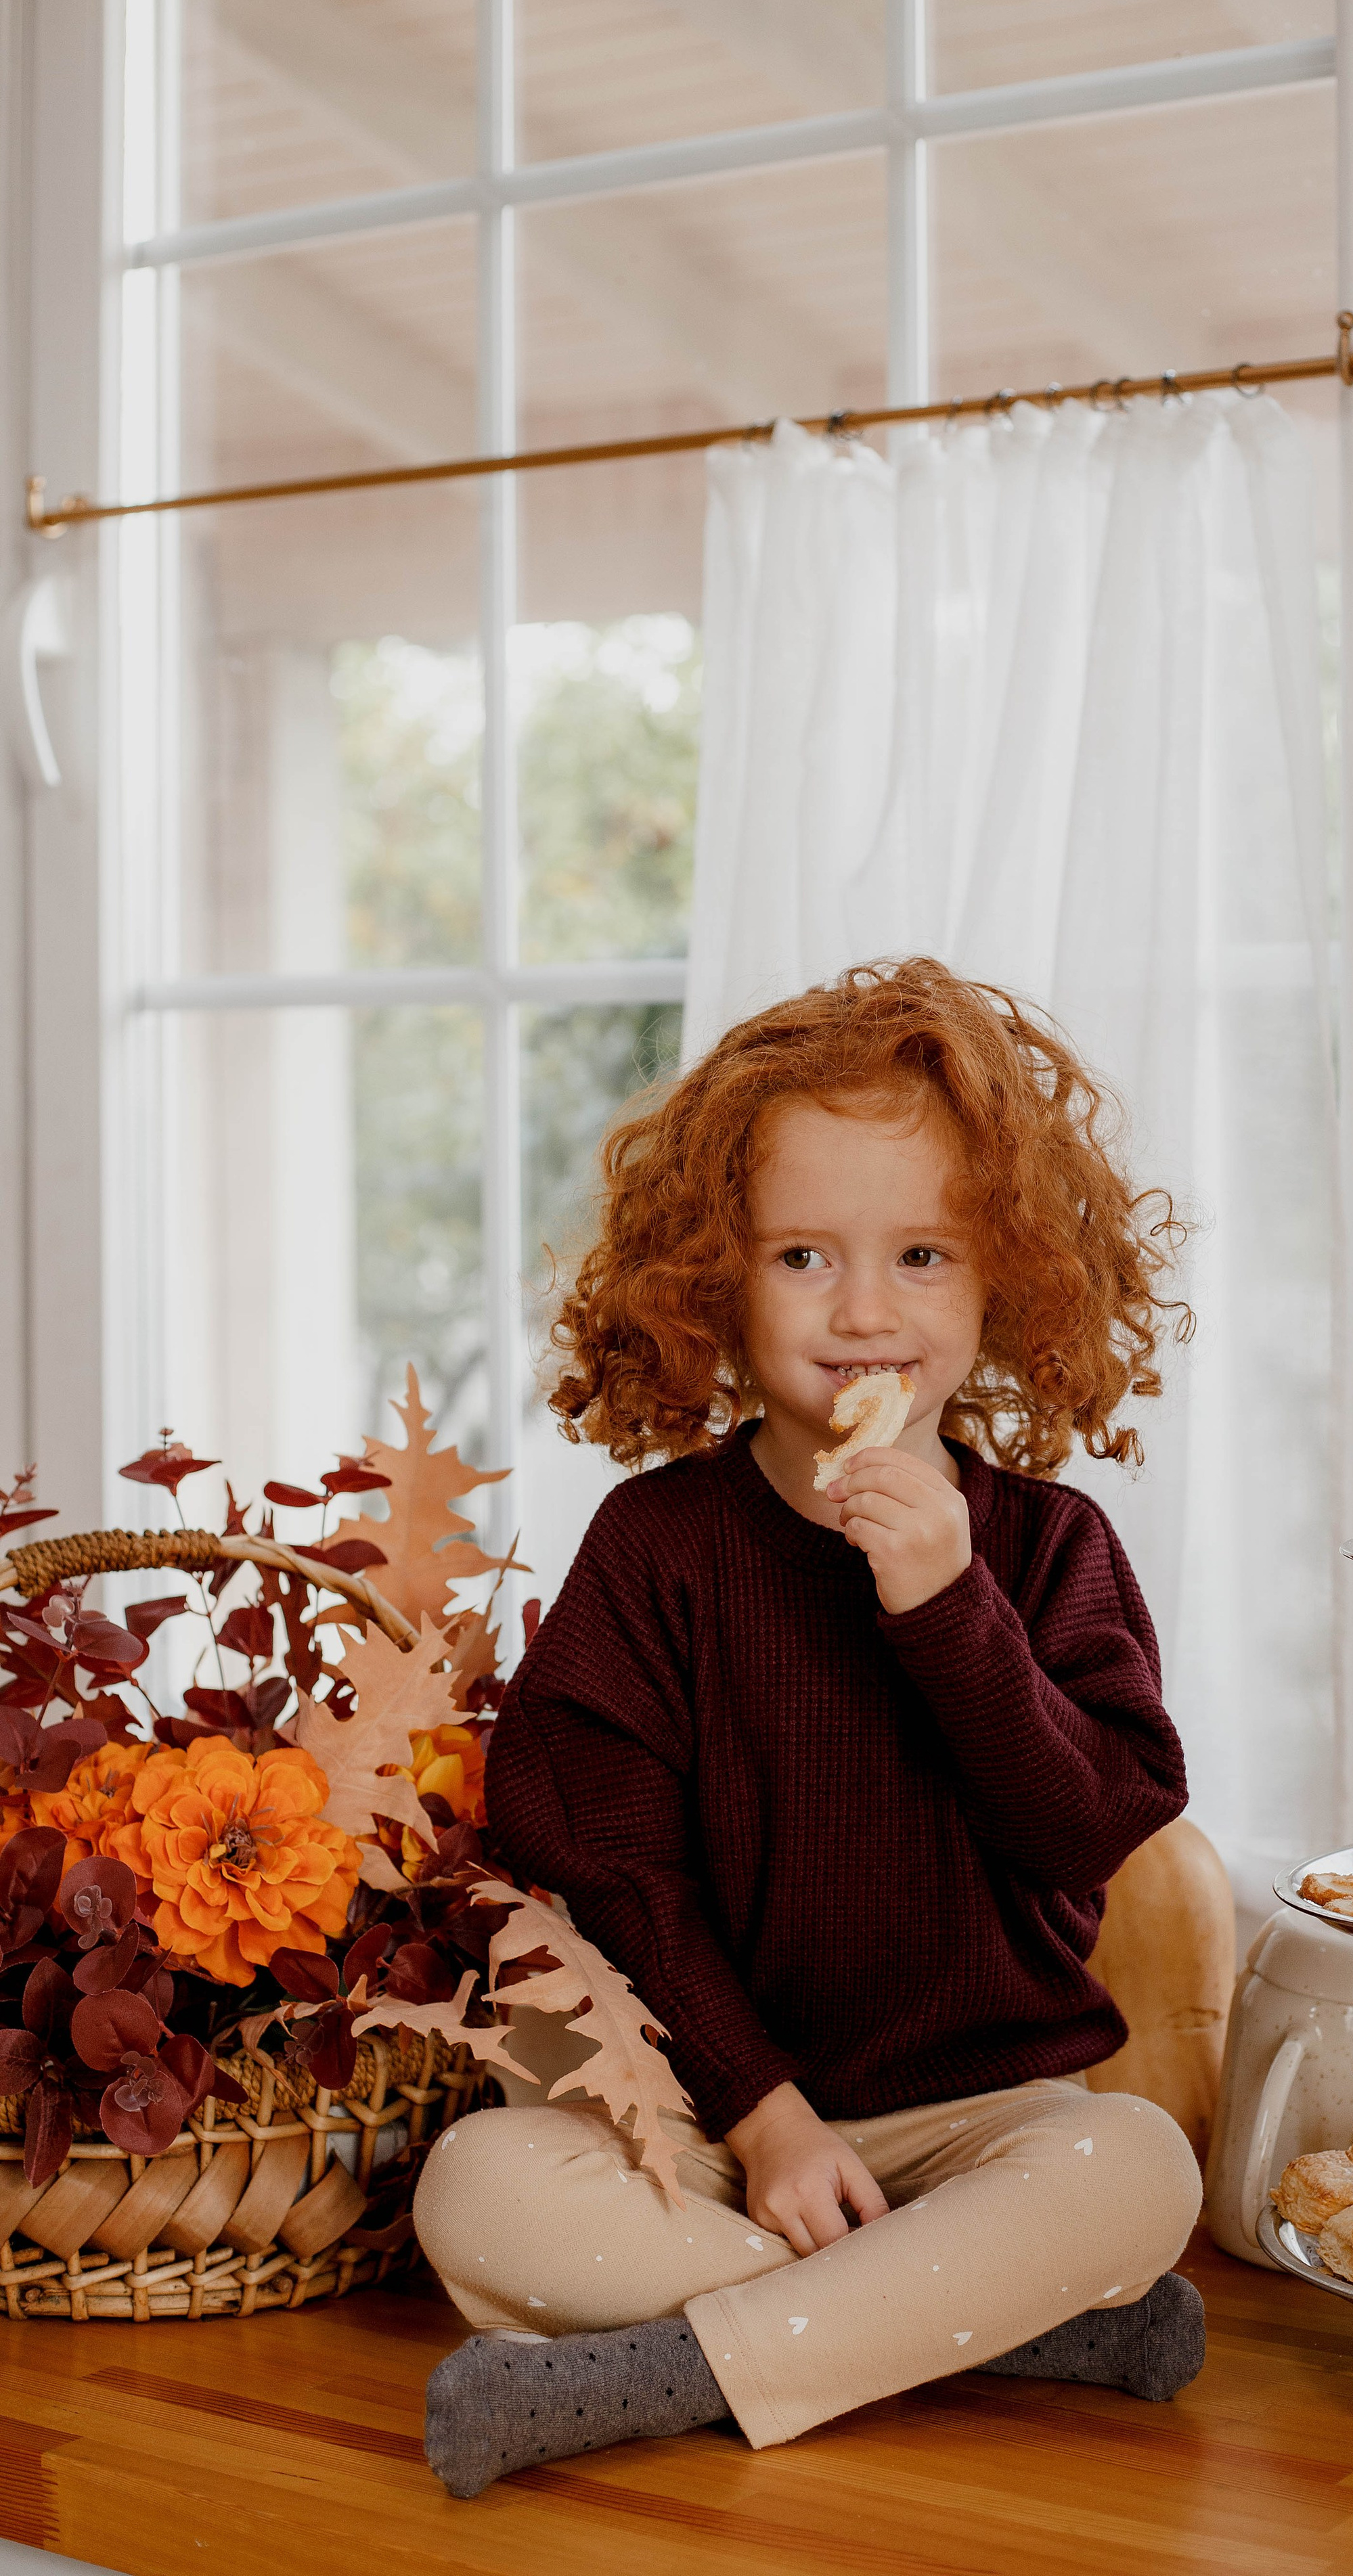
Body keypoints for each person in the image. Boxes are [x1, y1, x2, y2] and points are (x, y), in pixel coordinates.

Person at [416, 957, 1204, 2499]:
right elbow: (615, 1870)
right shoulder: (661, 1548)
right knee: (477, 2188)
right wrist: (763, 2115)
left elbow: (1084, 1821)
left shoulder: (1047, 1547)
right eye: (800, 1258)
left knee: (1136, 2172)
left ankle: (675, 2373)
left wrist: (946, 1607)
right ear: (712, 1280)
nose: (861, 1314)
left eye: (920, 1255)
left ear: (1006, 1285)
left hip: (984, 2123)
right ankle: (975, 2330)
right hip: (728, 2118)